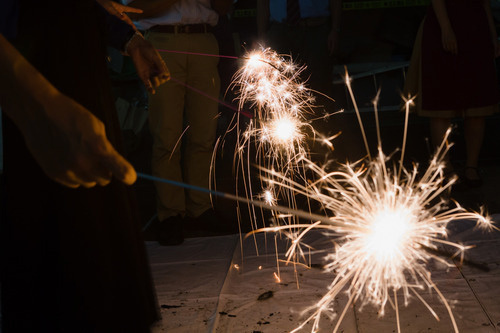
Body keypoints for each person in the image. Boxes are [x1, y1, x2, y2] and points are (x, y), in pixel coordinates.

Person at [0, 0, 169, 331]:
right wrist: (34, 101)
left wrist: (131, 40)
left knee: (100, 214)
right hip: (37, 63)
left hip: (84, 70)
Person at [126, 0, 232, 246]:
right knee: (166, 135)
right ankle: (170, 214)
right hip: (161, 42)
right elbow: (135, 8)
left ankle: (200, 207)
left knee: (205, 134)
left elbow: (224, 7)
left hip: (205, 40)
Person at [404, 0, 500, 187]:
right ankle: (445, 167)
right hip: (443, 26)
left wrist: (492, 33)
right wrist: (446, 28)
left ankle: (471, 166)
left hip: (476, 28)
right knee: (441, 103)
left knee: (478, 104)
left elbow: (484, 2)